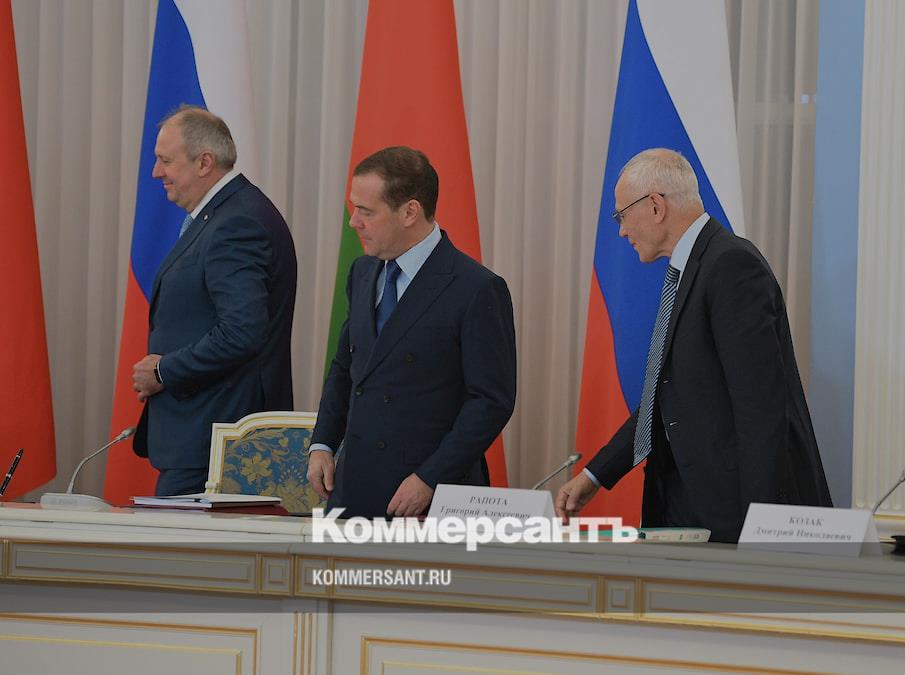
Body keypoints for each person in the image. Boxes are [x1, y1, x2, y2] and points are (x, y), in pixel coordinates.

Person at [555, 148, 831, 543]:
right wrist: (595, 474)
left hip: (736, 516)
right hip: (687, 507)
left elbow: (760, 407)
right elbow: (666, 398)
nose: (621, 231)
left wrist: (763, 528)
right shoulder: (690, 271)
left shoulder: (731, 265)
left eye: (621, 216)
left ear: (655, 206)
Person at [307, 146, 516, 518]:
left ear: (409, 212)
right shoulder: (362, 271)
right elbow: (345, 368)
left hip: (430, 495)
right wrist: (323, 442)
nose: (354, 222)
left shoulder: (476, 288)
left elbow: (490, 402)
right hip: (354, 489)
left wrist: (430, 478)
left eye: (366, 211)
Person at [131, 105, 297, 496]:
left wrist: (164, 371)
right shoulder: (224, 215)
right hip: (203, 438)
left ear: (204, 162)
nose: (155, 172)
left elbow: (242, 332)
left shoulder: (237, 222)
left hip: (219, 446)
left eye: (166, 160)